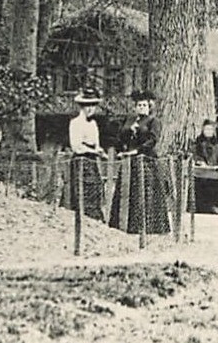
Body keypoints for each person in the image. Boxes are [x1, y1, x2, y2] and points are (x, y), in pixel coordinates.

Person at [109, 89, 171, 234]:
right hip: (129, 160)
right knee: (127, 191)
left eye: (144, 105)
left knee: (146, 191)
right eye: (139, 105)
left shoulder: (153, 121)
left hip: (146, 159)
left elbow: (153, 140)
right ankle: (126, 224)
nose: (141, 107)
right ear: (135, 107)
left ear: (149, 107)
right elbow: (120, 137)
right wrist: (129, 131)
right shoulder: (130, 120)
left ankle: (149, 227)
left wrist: (137, 151)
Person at [66, 88, 105, 221]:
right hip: (81, 160)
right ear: (83, 107)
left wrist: (99, 151)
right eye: (88, 106)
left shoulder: (93, 124)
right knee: (81, 189)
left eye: (93, 106)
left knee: (95, 188)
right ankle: (80, 217)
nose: (91, 109)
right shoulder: (75, 123)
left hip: (92, 161)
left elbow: (97, 144)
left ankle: (94, 219)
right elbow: (76, 146)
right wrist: (93, 151)